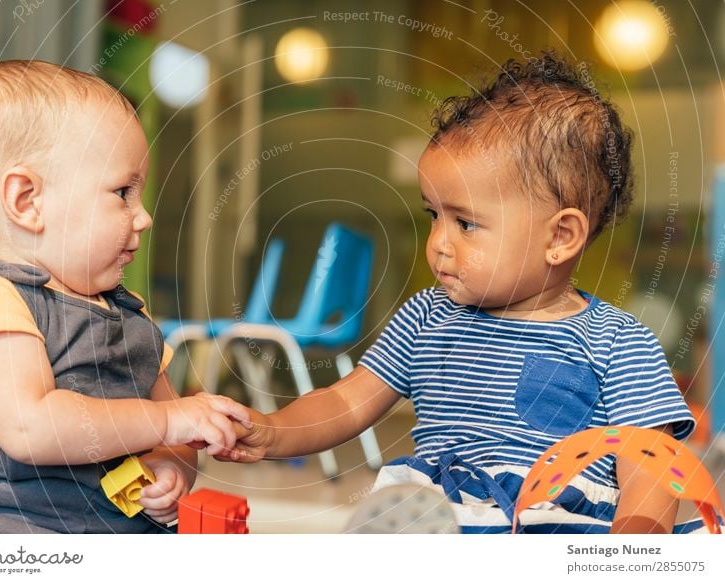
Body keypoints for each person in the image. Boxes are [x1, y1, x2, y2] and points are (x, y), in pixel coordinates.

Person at [230, 54, 696, 534]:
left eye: (466, 223)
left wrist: (631, 553)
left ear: (559, 238)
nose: (439, 244)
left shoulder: (619, 343)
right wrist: (272, 431)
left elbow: (650, 465)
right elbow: (347, 402)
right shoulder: (427, 317)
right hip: (439, 525)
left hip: (556, 533)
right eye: (434, 215)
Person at [0, 60, 251, 534]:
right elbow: (30, 427)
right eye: (123, 192)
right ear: (27, 201)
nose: (144, 218)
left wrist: (171, 467)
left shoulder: (131, 317)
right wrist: (167, 422)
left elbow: (175, 435)